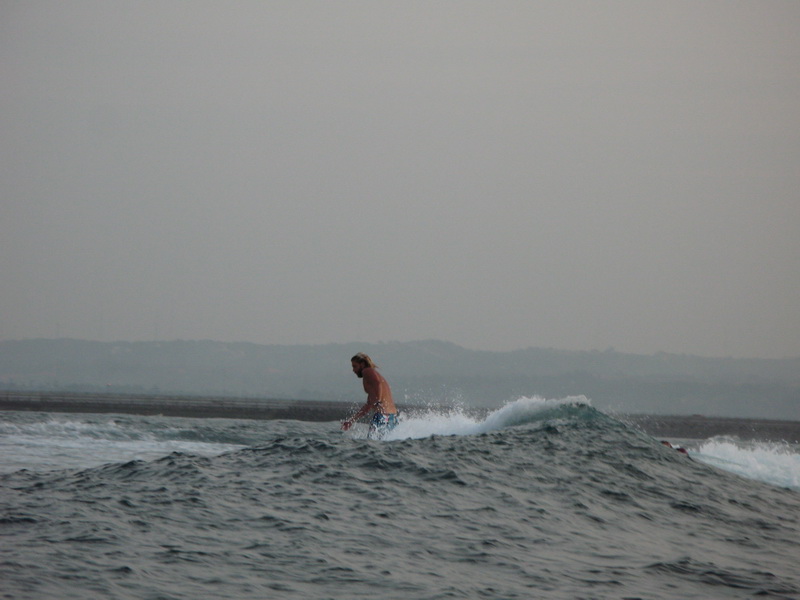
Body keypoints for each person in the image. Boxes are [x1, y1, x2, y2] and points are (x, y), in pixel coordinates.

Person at [341, 352, 399, 438]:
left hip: (382, 416)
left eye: (355, 366)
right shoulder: (372, 381)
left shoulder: (367, 371)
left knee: (372, 442)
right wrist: (351, 421)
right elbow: (368, 405)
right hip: (392, 417)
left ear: (362, 364)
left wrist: (378, 400)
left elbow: (378, 383)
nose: (353, 370)